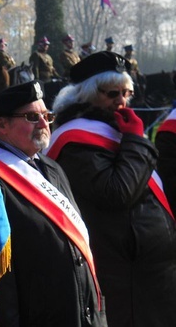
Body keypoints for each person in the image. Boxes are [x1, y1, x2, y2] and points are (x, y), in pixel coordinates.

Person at [46, 51, 176, 327]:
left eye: (126, 93)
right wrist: (136, 141)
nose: (122, 101)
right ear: (88, 95)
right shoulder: (75, 138)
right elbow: (117, 192)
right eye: (112, 93)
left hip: (146, 269)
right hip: (123, 271)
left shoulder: (113, 128)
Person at [0, 81, 106, 326]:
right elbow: (0, 277)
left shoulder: (52, 168)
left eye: (46, 115)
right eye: (32, 116)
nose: (43, 123)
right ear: (2, 125)